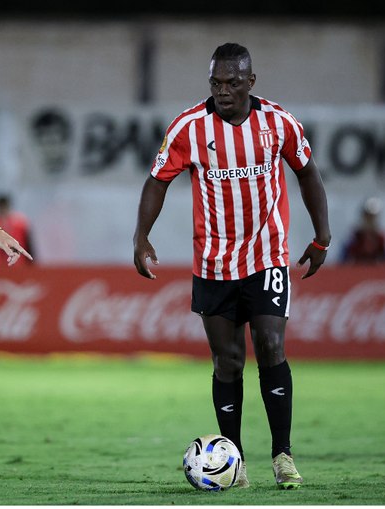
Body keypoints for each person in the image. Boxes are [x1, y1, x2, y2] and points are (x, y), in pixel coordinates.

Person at [132, 43, 330, 489]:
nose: (224, 91)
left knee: (271, 346)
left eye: (233, 83)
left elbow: (308, 173)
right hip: (214, 263)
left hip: (267, 256)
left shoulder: (279, 123)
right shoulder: (187, 127)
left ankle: (283, 454)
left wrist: (322, 235)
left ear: (250, 82)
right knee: (228, 361)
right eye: (216, 83)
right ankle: (233, 459)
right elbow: (156, 180)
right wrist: (141, 234)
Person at [0, 195, 33, 266]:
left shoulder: (20, 224)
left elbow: (28, 244)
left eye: (4, 207)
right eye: (1, 207)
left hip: (18, 263)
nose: (3, 210)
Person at [341, 197, 385, 264]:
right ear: (363, 216)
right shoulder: (354, 237)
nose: (370, 220)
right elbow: (342, 262)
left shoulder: (381, 239)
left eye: (373, 217)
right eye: (368, 216)